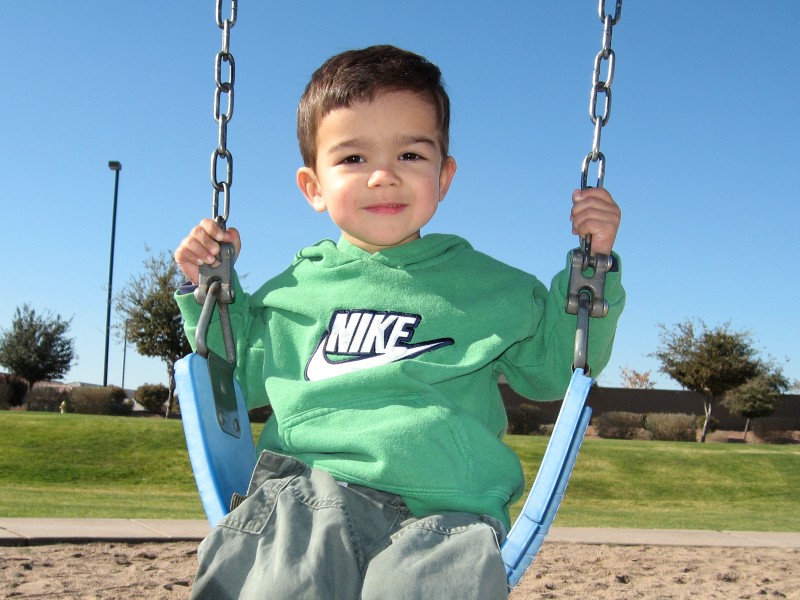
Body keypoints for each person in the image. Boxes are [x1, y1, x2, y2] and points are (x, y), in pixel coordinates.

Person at [174, 45, 624, 600]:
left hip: (449, 515)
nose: (383, 177)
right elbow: (230, 381)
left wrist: (594, 267)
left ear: (445, 174)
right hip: (308, 498)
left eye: (410, 155)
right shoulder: (294, 290)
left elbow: (557, 370)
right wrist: (207, 290)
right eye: (353, 159)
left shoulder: (495, 289)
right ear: (313, 186)